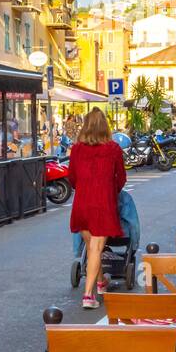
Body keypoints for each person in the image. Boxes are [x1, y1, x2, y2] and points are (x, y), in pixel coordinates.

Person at [68, 109, 127, 310]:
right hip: (103, 204)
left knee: (92, 247)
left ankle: (101, 283)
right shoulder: (113, 149)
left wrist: (85, 188)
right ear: (105, 127)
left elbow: (72, 178)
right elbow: (122, 178)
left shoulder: (76, 149)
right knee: (96, 248)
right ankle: (88, 296)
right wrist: (111, 191)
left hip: (82, 204)